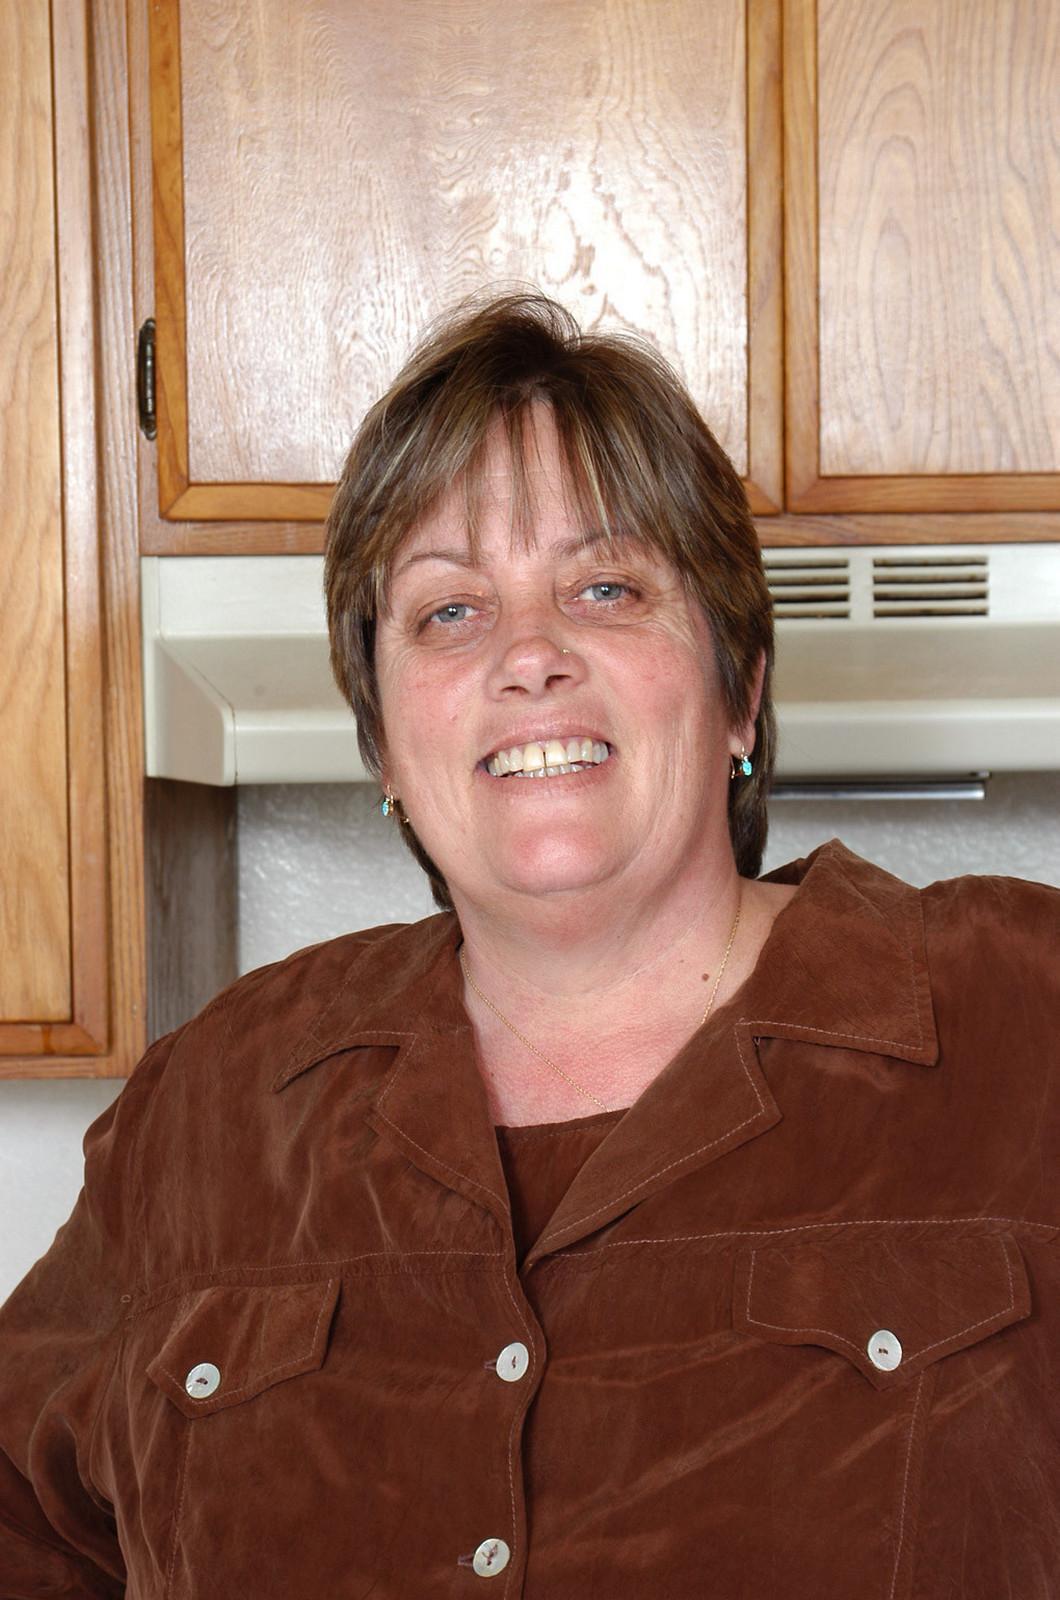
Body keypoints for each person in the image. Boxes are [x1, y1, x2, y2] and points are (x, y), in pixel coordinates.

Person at [1, 293, 1057, 1599]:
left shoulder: (1025, 1024)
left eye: (605, 587)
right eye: (449, 612)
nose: (531, 655)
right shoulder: (211, 1110)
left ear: (739, 688)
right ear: (384, 745)